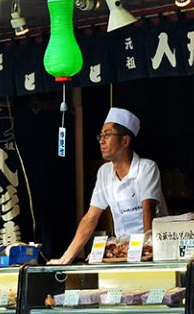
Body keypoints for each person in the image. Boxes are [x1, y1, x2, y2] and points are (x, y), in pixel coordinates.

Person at [51, 107, 167, 265]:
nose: (101, 140)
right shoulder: (104, 172)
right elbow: (91, 218)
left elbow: (148, 209)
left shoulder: (146, 168)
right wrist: (66, 257)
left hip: (150, 253)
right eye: (101, 135)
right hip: (122, 253)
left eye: (107, 134)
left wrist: (147, 252)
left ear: (125, 141)